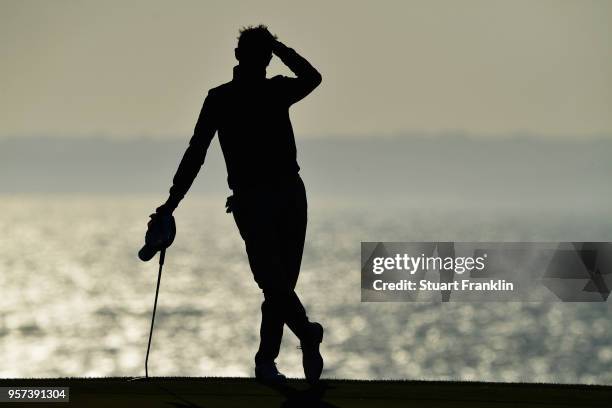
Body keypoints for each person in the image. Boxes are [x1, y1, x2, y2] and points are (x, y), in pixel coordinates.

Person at [152, 25, 324, 384]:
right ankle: (299, 338)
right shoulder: (227, 97)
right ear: (263, 57)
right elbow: (196, 152)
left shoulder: (262, 92)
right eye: (266, 52)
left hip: (283, 196)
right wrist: (172, 201)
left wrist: (173, 201)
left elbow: (313, 78)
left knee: (277, 286)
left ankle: (270, 358)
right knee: (275, 283)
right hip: (262, 198)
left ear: (239, 56)